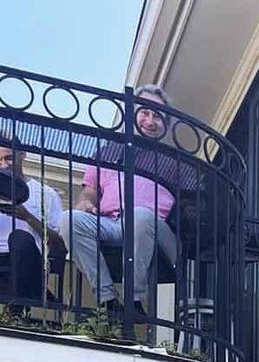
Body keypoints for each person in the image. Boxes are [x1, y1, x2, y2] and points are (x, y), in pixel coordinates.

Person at [62, 83, 177, 313]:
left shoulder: (174, 160)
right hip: (112, 223)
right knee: (69, 220)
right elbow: (90, 191)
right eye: (144, 112)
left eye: (158, 116)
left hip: (156, 230)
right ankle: (108, 301)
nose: (150, 120)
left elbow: (193, 204)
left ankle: (133, 300)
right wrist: (85, 203)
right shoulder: (109, 152)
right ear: (132, 113)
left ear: (166, 124)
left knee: (140, 216)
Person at [0, 142, 63, 308]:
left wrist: (27, 217)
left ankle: (16, 314)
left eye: (9, 158)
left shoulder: (45, 194)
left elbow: (59, 244)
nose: (3, 164)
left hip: (29, 265)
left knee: (20, 238)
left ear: (22, 155)